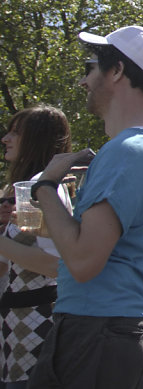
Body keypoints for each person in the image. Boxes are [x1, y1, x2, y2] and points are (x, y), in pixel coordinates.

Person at [28, 25, 143, 389]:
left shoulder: (129, 151)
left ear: (117, 71)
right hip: (110, 333)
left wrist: (45, 186)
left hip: (95, 333)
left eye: (90, 67)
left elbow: (82, 262)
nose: (83, 80)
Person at [0, 106, 73, 389]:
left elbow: (56, 264)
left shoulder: (40, 188)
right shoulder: (28, 189)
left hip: (37, 330)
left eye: (16, 132)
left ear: (37, 139)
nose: (6, 138)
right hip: (17, 331)